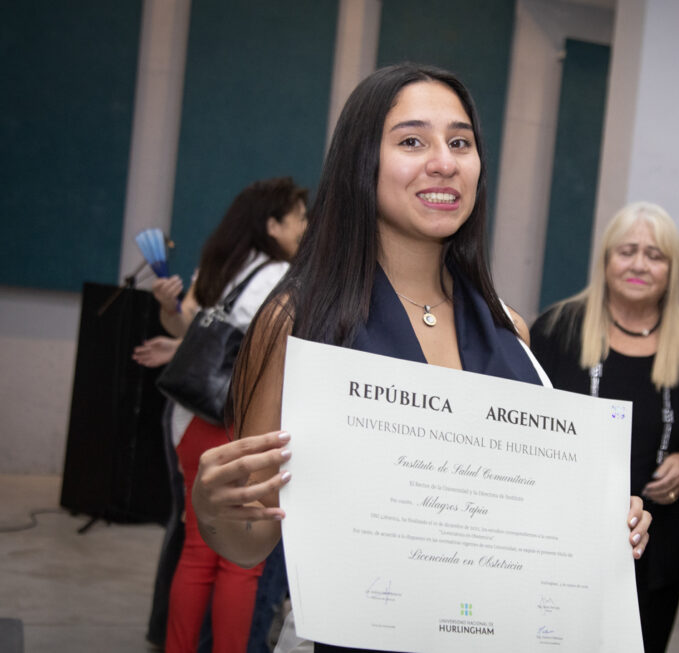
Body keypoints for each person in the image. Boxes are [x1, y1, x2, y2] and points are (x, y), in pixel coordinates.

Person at [186, 64, 652, 653]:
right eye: (412, 141)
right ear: (362, 162)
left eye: (460, 142)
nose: (444, 162)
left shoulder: (510, 331)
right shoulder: (298, 323)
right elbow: (249, 540)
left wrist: (603, 523)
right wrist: (215, 508)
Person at [530, 202, 679, 653]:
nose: (639, 265)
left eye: (655, 256)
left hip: (660, 541)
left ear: (672, 270)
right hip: (565, 533)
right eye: (627, 251)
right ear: (605, 259)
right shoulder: (557, 327)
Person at [151, 176, 309, 653]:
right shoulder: (278, 277)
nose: (306, 228)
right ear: (272, 225)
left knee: (196, 553)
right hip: (235, 425)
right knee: (242, 564)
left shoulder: (222, 263)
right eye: (300, 218)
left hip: (188, 420)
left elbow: (187, 327)